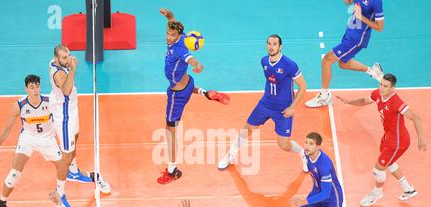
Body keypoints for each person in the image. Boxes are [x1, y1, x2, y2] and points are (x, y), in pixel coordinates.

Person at [0, 75, 72, 207]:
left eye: (37, 86)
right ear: (26, 89)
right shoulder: (19, 105)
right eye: (31, 87)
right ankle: (1, 206)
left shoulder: (49, 101)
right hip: (28, 139)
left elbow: (64, 115)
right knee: (13, 175)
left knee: (63, 167)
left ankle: (61, 196)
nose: (35, 90)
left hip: (48, 140)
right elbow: (7, 129)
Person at [157, 8, 230, 184]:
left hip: (176, 95)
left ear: (178, 36)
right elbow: (174, 26)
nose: (168, 37)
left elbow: (191, 59)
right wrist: (170, 16)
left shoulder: (180, 50)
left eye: (171, 35)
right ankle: (207, 93)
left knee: (170, 132)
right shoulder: (179, 37)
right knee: (187, 86)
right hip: (188, 83)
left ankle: (173, 169)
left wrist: (197, 64)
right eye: (167, 33)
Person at [218, 34, 308, 172]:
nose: (271, 47)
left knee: (284, 145)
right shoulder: (264, 61)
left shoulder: (289, 65)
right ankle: (231, 155)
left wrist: (292, 107)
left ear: (280, 46)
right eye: (269, 44)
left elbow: (303, 86)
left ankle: (303, 154)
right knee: (247, 128)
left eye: (274, 44)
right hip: (265, 104)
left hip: (283, 109)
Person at [336, 74, 427, 206]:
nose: (381, 88)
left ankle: (377, 193)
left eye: (385, 86)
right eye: (381, 84)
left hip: (398, 141)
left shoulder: (396, 102)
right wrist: (348, 101)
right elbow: (363, 101)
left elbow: (416, 118)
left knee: (378, 169)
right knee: (389, 162)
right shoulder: (378, 94)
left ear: (392, 89)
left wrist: (421, 139)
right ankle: (408, 189)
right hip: (388, 136)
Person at [49, 45, 110, 194]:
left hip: (71, 109)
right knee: (67, 153)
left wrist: (68, 61)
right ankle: (60, 190)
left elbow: (64, 61)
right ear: (57, 59)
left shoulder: (55, 61)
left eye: (68, 55)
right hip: (64, 116)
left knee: (76, 136)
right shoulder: (58, 74)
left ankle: (73, 170)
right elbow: (66, 90)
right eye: (64, 57)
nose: (68, 59)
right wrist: (73, 68)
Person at [306, 0, 385, 108]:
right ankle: (374, 72)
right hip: (350, 33)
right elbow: (348, 2)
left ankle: (324, 96)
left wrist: (360, 17)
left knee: (327, 60)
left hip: (357, 39)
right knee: (344, 64)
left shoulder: (376, 2)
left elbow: (380, 27)